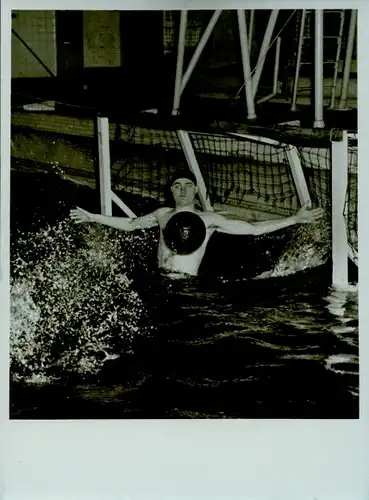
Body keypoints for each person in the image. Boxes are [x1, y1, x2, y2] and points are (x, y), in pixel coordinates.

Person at [70, 168, 323, 278]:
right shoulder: (162, 215)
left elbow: (253, 228)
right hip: (160, 278)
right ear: (171, 190)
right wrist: (93, 217)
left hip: (185, 284)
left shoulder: (208, 220)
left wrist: (294, 219)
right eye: (177, 186)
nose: (183, 190)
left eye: (188, 185)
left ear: (196, 190)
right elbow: (131, 224)